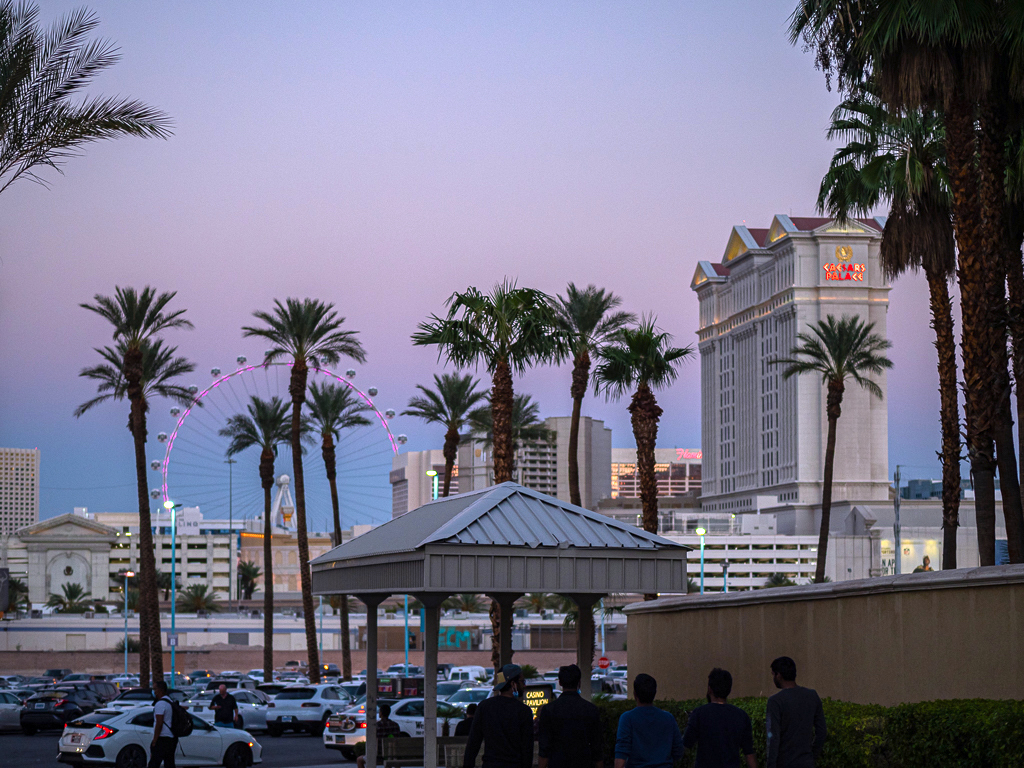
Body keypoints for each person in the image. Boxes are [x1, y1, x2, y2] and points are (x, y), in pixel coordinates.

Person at [681, 668, 756, 768]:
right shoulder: (741, 715)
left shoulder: (699, 713)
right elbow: (749, 753)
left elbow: (686, 743)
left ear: (710, 689)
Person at [463, 663, 534, 768]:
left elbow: (473, 742)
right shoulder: (523, 711)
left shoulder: (484, 707)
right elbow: (527, 748)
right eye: (522, 681)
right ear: (513, 684)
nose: (524, 685)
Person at [766, 657, 826, 768]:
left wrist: (771, 764)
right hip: (806, 761)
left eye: (773, 674)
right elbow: (821, 731)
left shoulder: (775, 701)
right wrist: (812, 755)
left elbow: (772, 737)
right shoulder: (812, 696)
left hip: (784, 763)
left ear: (778, 675)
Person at [537, 664, 602, 768]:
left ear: (560, 683)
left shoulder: (549, 710)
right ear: (579, 683)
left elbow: (544, 747)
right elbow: (597, 747)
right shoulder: (590, 710)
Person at [614, 674, 684, 768]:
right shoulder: (668, 718)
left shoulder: (627, 718)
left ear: (635, 694)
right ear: (654, 693)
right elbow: (678, 750)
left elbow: (622, 751)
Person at [356, 703, 401, 768]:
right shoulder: (395, 725)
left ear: (381, 713)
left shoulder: (376, 726)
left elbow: (370, 741)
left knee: (359, 760)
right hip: (392, 755)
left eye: (379, 711)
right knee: (389, 757)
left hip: (377, 756)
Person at [149, 680, 177, 768]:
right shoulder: (169, 701)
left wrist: (154, 741)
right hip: (171, 738)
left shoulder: (160, 704)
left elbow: (159, 723)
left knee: (154, 764)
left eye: (155, 689)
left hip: (162, 739)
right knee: (169, 764)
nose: (154, 691)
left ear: (160, 690)